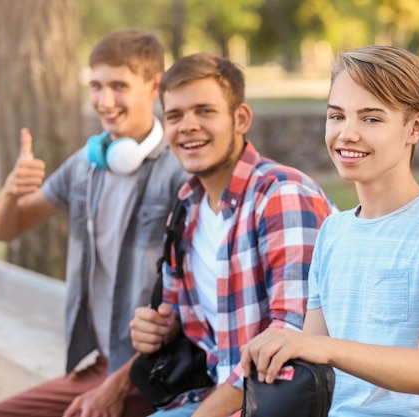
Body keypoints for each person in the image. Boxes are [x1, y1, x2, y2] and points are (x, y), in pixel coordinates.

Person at [240, 45, 419, 416]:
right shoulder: (333, 232)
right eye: (336, 116)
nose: (347, 134)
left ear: (414, 127)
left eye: (371, 119)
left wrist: (324, 348)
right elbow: (313, 365)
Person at [0, 29, 189, 417]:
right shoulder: (86, 164)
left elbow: (190, 307)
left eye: (118, 86)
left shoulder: (180, 173)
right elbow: (4, 229)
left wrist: (117, 385)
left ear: (153, 85)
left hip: (154, 372)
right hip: (97, 364)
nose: (104, 101)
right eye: (95, 86)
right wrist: (11, 191)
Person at [129, 52, 337, 417]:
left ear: (240, 119)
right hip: (212, 395)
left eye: (204, 111)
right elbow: (180, 312)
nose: (188, 125)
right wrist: (159, 327)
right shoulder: (186, 205)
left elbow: (294, 337)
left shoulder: (281, 195)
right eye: (175, 115)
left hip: (278, 404)